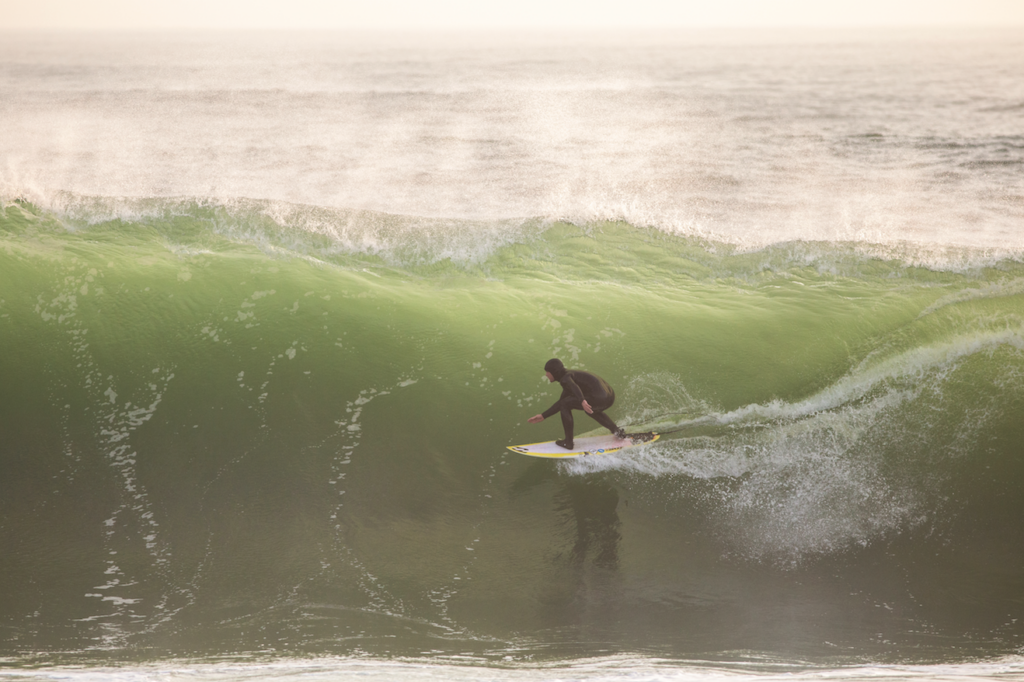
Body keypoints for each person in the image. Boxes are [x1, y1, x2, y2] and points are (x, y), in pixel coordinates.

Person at [527, 358, 625, 449]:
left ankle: (568, 442)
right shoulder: (569, 375)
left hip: (600, 397)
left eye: (548, 372)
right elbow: (561, 402)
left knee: (568, 405)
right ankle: (617, 432)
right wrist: (543, 416)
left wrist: (582, 400)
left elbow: (574, 387)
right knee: (588, 409)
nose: (546, 375)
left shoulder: (565, 380)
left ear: (554, 372)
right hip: (609, 396)